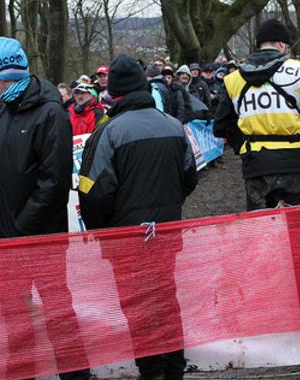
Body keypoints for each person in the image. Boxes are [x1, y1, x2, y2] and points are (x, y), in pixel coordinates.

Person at [0, 36, 91, 380]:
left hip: (40, 240)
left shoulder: (50, 113)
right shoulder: (2, 112)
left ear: (3, 74)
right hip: (3, 238)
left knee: (58, 315)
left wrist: (20, 228)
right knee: (13, 320)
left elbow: (53, 182)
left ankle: (75, 376)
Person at [78, 53, 198, 380]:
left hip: (127, 239)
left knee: (137, 305)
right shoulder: (174, 126)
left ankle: (152, 371)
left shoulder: (108, 132)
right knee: (166, 298)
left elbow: (91, 192)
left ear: (113, 93)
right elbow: (190, 177)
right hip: (167, 232)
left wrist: (103, 232)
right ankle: (174, 368)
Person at [214, 19, 300, 210]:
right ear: (281, 44)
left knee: (261, 231)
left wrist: (243, 145)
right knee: (297, 227)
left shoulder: (232, 79)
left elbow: (220, 127)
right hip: (295, 162)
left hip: (256, 163)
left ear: (259, 44)